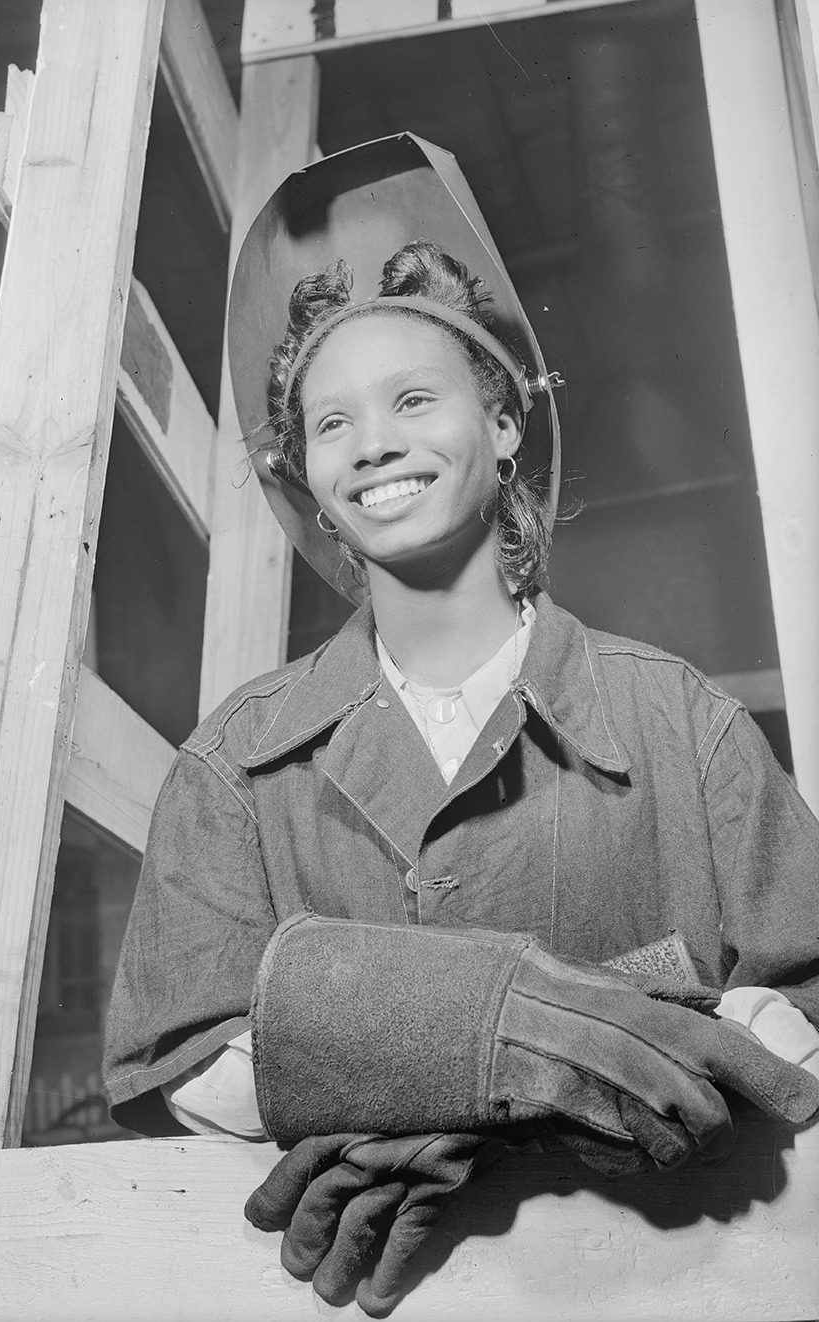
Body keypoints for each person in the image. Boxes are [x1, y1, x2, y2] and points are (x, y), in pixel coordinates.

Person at [103, 135, 819, 1316]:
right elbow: (191, 1070)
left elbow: (795, 1027)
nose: (371, 442)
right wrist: (515, 1041)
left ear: (499, 424)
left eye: (412, 399)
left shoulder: (677, 723)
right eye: (330, 424)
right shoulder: (233, 768)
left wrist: (386, 1058)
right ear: (312, 479)